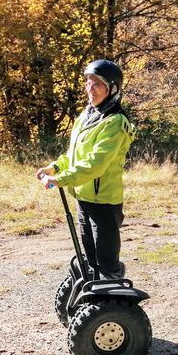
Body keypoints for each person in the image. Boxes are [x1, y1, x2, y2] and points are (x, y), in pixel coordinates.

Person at [36, 59, 135, 280]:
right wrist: (55, 168)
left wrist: (61, 179)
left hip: (104, 202)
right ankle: (96, 297)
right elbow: (74, 154)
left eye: (98, 84)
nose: (91, 88)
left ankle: (114, 303)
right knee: (90, 257)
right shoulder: (88, 116)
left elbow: (95, 164)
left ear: (112, 89)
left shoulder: (114, 122)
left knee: (106, 262)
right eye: (88, 82)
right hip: (83, 196)